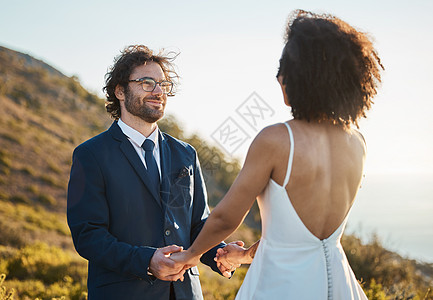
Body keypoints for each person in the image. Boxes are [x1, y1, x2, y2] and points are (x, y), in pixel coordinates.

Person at [171, 10, 384, 299]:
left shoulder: (276, 139)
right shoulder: (357, 143)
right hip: (339, 284)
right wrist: (244, 254)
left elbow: (225, 218)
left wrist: (191, 255)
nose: (279, 77)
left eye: (283, 69)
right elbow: (305, 239)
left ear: (301, 77)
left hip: (282, 286)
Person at [67, 45, 239, 300]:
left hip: (184, 294)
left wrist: (221, 254)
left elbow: (196, 225)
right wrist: (147, 260)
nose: (158, 91)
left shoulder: (186, 153)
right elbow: (88, 235)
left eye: (163, 84)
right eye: (147, 83)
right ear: (120, 91)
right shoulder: (90, 155)